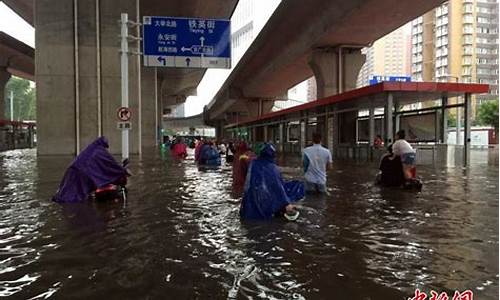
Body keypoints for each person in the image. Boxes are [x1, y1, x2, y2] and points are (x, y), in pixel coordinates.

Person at [52, 137, 128, 203]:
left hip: (73, 170)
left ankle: (63, 201)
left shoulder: (91, 150)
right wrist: (122, 171)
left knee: (68, 191)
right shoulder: (99, 151)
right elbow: (110, 164)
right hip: (82, 173)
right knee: (75, 196)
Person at [240, 143, 304, 221]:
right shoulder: (273, 168)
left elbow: (248, 185)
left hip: (249, 206)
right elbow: (278, 189)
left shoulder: (253, 164)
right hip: (266, 205)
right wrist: (286, 203)